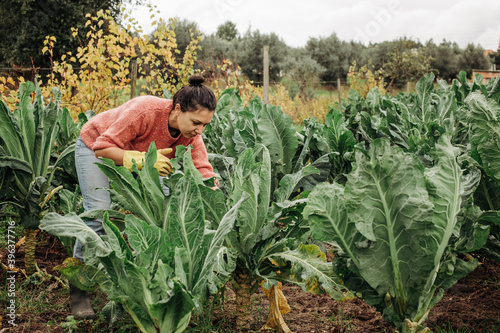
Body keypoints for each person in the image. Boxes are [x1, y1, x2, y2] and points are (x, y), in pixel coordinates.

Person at [70, 74, 217, 319]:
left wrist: (216, 201)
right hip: (95, 146)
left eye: (205, 125)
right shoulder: (145, 110)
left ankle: (156, 284)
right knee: (98, 214)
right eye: (195, 122)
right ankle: (79, 291)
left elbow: (203, 171)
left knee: (166, 214)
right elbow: (102, 147)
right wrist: (138, 160)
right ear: (177, 109)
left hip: (143, 159)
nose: (199, 130)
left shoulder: (191, 133)